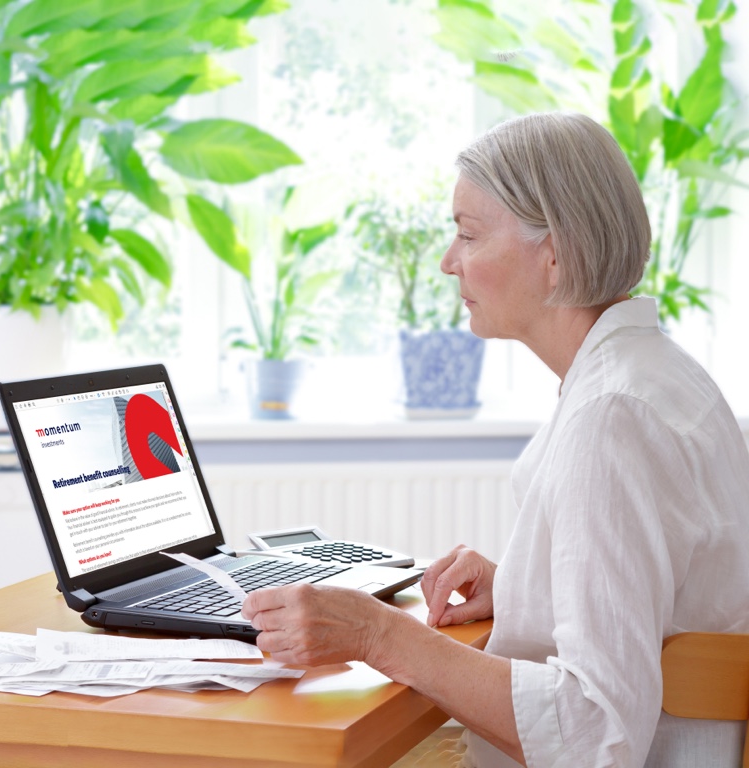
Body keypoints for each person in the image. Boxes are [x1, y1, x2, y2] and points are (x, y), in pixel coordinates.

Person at [242, 112, 749, 767]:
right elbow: (666, 601)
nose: (450, 261)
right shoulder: (660, 373)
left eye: (468, 234)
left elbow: (595, 731)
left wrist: (379, 633)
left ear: (555, 253)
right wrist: (525, 589)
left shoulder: (611, 417)